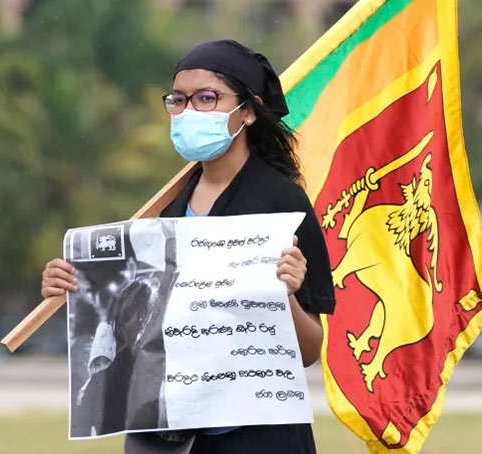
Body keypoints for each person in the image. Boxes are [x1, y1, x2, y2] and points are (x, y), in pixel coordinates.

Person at [40, 39, 336, 454]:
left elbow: (308, 352)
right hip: (164, 438)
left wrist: (283, 296)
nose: (189, 111)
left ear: (247, 111)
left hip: (255, 439)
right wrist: (74, 286)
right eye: (178, 100)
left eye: (207, 98)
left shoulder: (281, 203)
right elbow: (131, 326)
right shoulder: (163, 212)